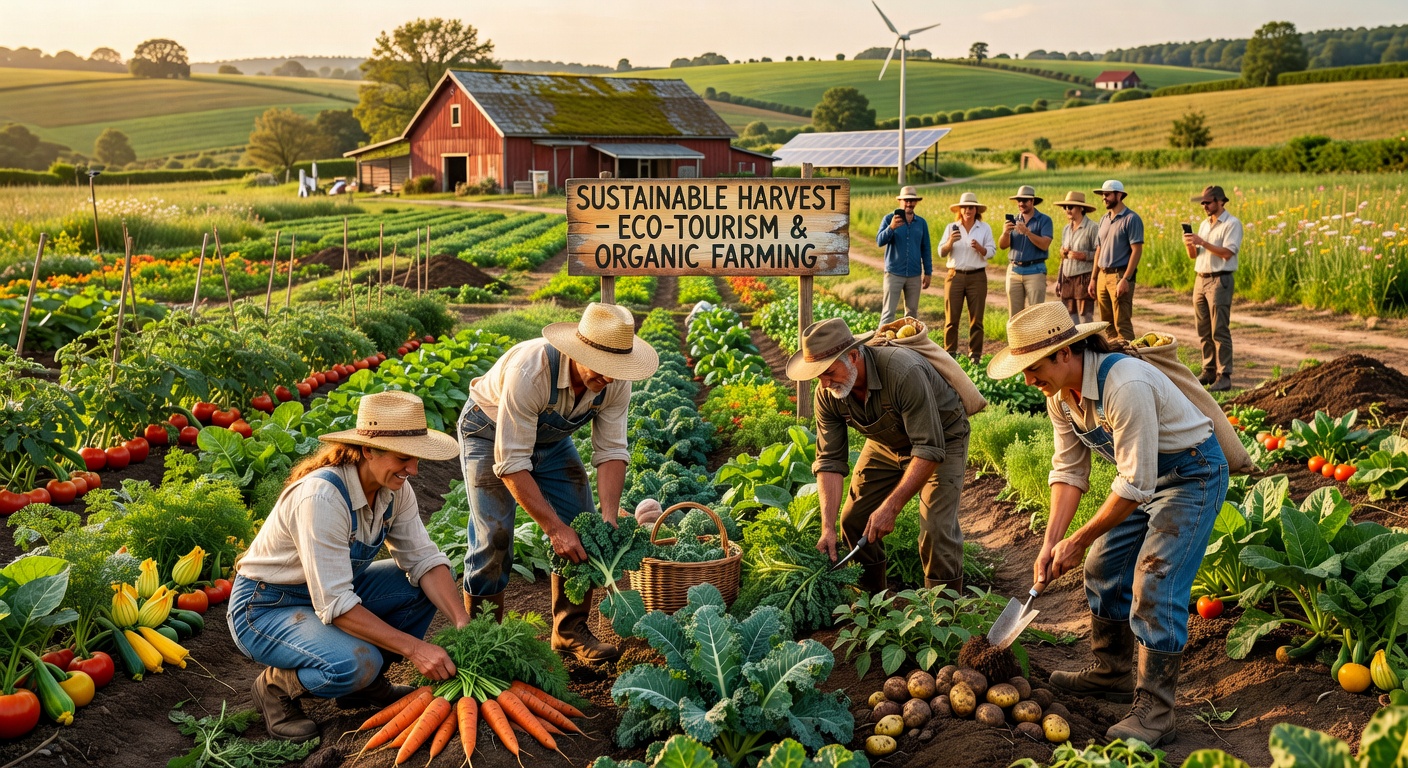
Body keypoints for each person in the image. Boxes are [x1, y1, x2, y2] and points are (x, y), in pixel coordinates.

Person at [986, 302, 1229, 747]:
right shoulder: (1061, 397)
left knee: (1154, 580)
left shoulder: (1125, 384)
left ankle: (1157, 712)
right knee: (1102, 564)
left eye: (1033, 367)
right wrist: (1051, 542)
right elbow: (1069, 472)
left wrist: (1077, 538)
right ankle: (1113, 671)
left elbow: (1134, 480)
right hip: (1146, 479)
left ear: (1064, 353)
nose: (1028, 380)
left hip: (1191, 475)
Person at [229, 390, 471, 742]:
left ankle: (361, 689)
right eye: (404, 457)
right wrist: (415, 649)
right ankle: (278, 687)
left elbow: (424, 559)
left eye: (417, 459)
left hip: (327, 596)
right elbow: (336, 603)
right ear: (369, 449)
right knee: (357, 661)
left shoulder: (395, 490)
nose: (414, 470)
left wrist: (462, 620)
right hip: (267, 607)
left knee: (422, 587)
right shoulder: (323, 496)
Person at [457, 302, 658, 663]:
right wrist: (553, 529)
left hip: (549, 441)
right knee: (495, 536)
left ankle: (568, 631)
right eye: (603, 368)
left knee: (583, 521)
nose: (609, 378)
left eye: (616, 369)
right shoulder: (531, 372)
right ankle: (482, 641)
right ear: (578, 351)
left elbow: (612, 450)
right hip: (488, 433)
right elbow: (511, 462)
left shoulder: (614, 381)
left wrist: (608, 519)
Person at [788, 318, 970, 595]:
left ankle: (944, 614)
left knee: (936, 528)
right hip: (885, 443)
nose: (824, 383)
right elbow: (829, 461)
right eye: (818, 375)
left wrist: (891, 506)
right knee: (853, 519)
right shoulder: (828, 393)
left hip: (942, 438)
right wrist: (827, 528)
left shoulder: (902, 372)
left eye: (829, 372)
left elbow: (929, 448)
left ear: (853, 355)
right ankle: (873, 603)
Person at [1184, 185, 1243, 392]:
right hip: (1200, 278)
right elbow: (1195, 255)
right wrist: (1191, 244)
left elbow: (1227, 253)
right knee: (1203, 329)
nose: (1204, 206)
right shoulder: (1203, 225)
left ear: (1220, 201)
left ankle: (1224, 374)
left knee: (1219, 329)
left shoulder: (1232, 224)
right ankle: (1208, 369)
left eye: (1207, 202)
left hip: (1220, 280)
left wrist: (1203, 242)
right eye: (1203, 202)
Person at [939, 192, 996, 361]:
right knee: (951, 319)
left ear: (976, 210)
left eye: (971, 207)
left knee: (976, 319)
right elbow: (941, 252)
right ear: (960, 210)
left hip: (977, 276)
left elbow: (992, 251)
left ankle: (975, 355)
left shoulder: (984, 228)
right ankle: (950, 354)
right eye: (965, 207)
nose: (968, 210)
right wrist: (950, 242)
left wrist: (980, 248)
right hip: (955, 275)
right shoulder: (951, 227)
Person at [1090, 180, 1145, 342]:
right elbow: (1098, 250)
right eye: (1102, 195)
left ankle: (1130, 360)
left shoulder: (1131, 219)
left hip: (1119, 275)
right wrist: (1093, 278)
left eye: (1107, 194)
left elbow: (1137, 250)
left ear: (1119, 195)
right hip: (1102, 275)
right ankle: (1115, 359)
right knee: (1107, 325)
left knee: (1122, 324)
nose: (1104, 198)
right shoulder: (1104, 219)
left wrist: (1126, 279)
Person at [876, 186, 932, 324]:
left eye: (912, 201)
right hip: (894, 273)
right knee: (889, 313)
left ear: (916, 202)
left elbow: (926, 248)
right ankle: (882, 344)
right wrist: (891, 227)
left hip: (914, 274)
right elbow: (879, 241)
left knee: (912, 314)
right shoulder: (889, 218)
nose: (909, 204)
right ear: (900, 201)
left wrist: (928, 272)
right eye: (906, 200)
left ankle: (909, 343)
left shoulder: (921, 223)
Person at [999, 185, 1054, 317]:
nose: (1021, 204)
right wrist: (1005, 233)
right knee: (1015, 315)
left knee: (1036, 314)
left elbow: (1045, 245)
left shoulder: (1044, 220)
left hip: (1035, 271)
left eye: (1024, 200)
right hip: (1014, 271)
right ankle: (1017, 339)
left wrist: (1027, 233)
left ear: (1032, 201)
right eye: (1019, 201)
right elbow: (1002, 245)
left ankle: (1036, 338)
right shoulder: (1014, 221)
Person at [1055, 191, 1099, 325]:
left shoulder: (1092, 227)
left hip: (1084, 278)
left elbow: (1100, 252)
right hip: (1067, 278)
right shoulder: (1066, 229)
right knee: (1069, 317)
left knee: (1085, 317)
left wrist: (1084, 256)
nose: (1067, 210)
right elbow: (1063, 259)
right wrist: (1059, 279)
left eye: (1071, 207)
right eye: (1065, 207)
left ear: (1081, 208)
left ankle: (1088, 345)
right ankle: (1076, 346)